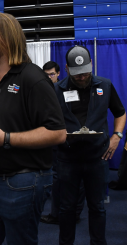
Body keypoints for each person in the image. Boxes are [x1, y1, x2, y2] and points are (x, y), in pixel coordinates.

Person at [0, 12, 67, 245]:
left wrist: (6, 138)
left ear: (4, 38)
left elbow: (58, 133)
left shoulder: (33, 78)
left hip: (24, 182)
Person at [54, 45, 126, 245]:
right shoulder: (57, 89)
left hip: (98, 158)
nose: (82, 77)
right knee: (66, 208)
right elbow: (48, 120)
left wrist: (117, 136)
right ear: (67, 69)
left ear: (91, 65)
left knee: (97, 207)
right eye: (77, 74)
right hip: (67, 158)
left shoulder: (105, 85)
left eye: (85, 72)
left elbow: (120, 112)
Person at [40, 60, 85, 225]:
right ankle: (56, 213)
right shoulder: (42, 91)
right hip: (52, 142)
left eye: (52, 74)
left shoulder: (68, 89)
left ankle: (74, 214)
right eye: (46, 75)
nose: (49, 77)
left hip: (71, 140)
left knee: (75, 179)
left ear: (59, 73)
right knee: (57, 179)